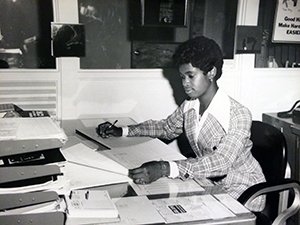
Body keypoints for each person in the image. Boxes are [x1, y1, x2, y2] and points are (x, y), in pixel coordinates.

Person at [96, 36, 266, 212]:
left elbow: (221, 162)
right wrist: (123, 130)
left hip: (244, 192)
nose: (185, 83)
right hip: (210, 184)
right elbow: (166, 128)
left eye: (191, 76)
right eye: (182, 77)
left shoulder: (238, 114)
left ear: (211, 73)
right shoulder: (191, 104)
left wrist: (164, 168)